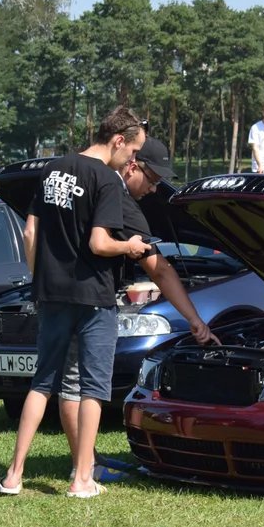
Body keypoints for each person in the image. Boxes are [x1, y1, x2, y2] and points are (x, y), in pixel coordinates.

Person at [0, 106, 150, 499]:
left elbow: (30, 232)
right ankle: (82, 480)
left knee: (41, 382)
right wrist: (130, 246)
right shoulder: (107, 180)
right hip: (94, 297)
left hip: (51, 294)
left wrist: (40, 278)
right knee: (93, 389)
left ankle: (14, 475)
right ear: (118, 141)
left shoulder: (51, 169)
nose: (132, 162)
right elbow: (100, 244)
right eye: (132, 153)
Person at [61, 136, 223, 486]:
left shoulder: (79, 179)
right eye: (151, 180)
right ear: (132, 165)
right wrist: (196, 321)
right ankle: (84, 471)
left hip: (59, 297)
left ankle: (81, 462)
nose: (152, 189)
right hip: (93, 302)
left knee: (68, 384)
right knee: (87, 387)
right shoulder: (119, 199)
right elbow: (159, 270)